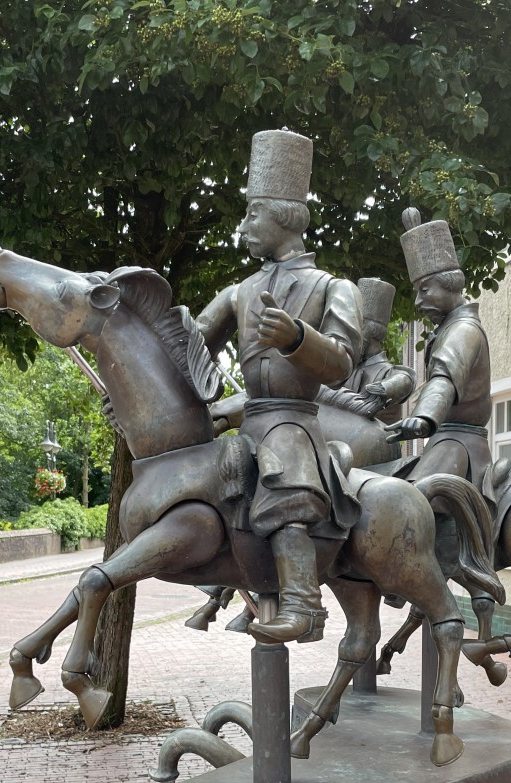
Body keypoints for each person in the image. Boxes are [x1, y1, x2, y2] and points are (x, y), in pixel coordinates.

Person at [196, 129, 363, 644]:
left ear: (285, 217)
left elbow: (342, 364)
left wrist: (297, 338)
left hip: (293, 421)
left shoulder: (333, 288)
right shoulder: (240, 291)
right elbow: (191, 346)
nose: (243, 227)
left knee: (283, 478)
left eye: (253, 215)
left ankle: (303, 603)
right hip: (250, 419)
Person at [385, 209, 493, 497]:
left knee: (410, 503)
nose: (418, 302)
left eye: (425, 290)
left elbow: (443, 378)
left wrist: (423, 417)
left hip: (459, 444)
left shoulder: (463, 330)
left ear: (450, 284)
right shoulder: (447, 328)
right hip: (443, 440)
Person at [316, 277, 415, 423]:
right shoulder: (343, 367)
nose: (350, 333)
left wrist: (383, 389)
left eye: (357, 326)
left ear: (374, 330)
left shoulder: (388, 373)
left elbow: (405, 379)